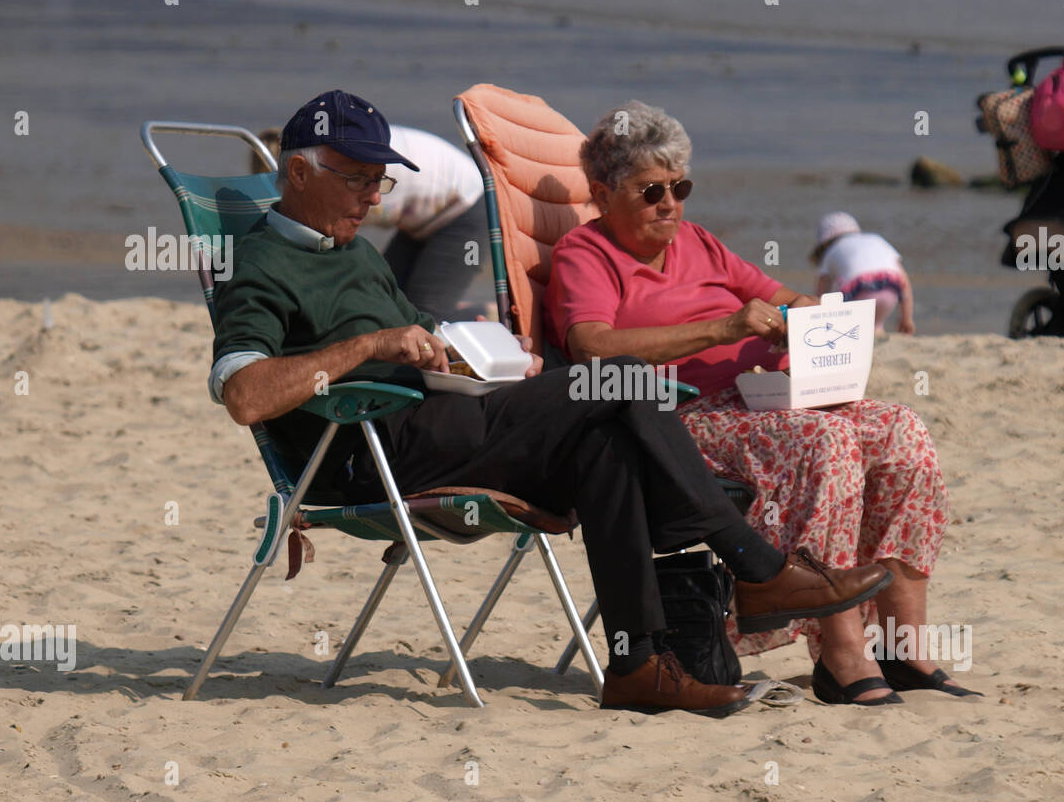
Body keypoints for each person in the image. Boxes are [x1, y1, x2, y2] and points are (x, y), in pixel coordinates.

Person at [212, 89, 893, 717]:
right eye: (357, 178)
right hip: (372, 450)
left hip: (452, 419)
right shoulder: (261, 264)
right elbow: (245, 395)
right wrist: (365, 349)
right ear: (298, 173)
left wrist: (475, 351)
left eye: (379, 180)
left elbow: (418, 330)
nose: (373, 197)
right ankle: (759, 567)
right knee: (617, 377)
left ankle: (637, 666)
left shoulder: (355, 253)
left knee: (607, 444)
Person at [545, 100, 979, 705]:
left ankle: (904, 650)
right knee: (826, 442)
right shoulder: (584, 256)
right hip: (673, 419)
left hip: (759, 400)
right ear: (601, 192)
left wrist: (814, 329)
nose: (669, 204)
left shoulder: (698, 242)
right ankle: (842, 655)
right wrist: (723, 331)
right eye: (650, 192)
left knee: (900, 430)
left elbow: (787, 298)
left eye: (679, 187)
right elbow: (591, 347)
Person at [251, 123, 490, 321]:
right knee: (390, 299)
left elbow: (328, 245)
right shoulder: (323, 155)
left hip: (467, 202)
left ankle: (478, 319)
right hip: (426, 209)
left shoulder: (348, 177)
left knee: (426, 311)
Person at [811, 212, 915, 335]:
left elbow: (822, 293)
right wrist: (906, 318)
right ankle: (878, 331)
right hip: (890, 286)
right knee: (876, 324)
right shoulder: (875, 239)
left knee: (852, 326)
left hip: (859, 290)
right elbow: (904, 280)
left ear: (824, 243)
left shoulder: (831, 252)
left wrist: (819, 318)